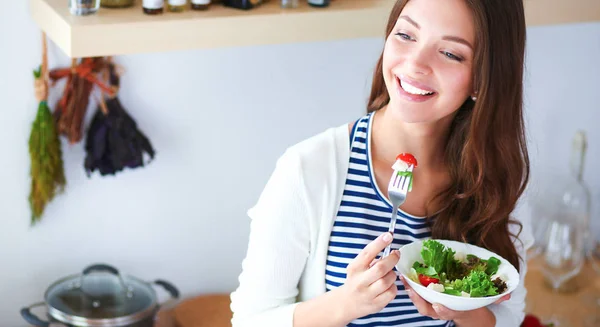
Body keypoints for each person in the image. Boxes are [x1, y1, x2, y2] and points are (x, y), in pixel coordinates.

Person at [230, 0, 534, 326]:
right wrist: (344, 305)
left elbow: (509, 316)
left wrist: (467, 313)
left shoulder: (496, 179)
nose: (415, 64)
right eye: (405, 34)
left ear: (482, 79)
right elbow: (251, 320)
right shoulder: (307, 170)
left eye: (450, 53)